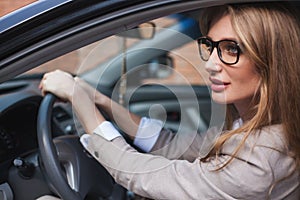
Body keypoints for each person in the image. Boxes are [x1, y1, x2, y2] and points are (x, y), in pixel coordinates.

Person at [38, 2, 300, 199]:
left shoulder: (263, 161)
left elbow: (149, 177)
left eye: (231, 49)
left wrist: (81, 104)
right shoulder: (252, 125)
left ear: (273, 63)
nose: (210, 64)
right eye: (211, 46)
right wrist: (101, 101)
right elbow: (173, 145)